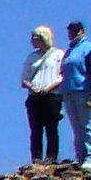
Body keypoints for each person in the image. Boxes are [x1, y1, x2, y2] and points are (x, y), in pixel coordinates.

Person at [60, 21, 91, 166]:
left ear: (82, 31)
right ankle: (80, 156)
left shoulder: (89, 48)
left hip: (83, 90)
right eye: (71, 31)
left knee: (87, 124)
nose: (73, 34)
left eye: (76, 31)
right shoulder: (69, 51)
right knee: (76, 127)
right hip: (69, 91)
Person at [20, 26, 65, 165]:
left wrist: (49, 87)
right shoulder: (31, 57)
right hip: (34, 97)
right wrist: (32, 87)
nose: (32, 40)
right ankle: (37, 158)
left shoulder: (58, 55)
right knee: (35, 130)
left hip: (52, 96)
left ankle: (51, 158)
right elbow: (24, 78)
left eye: (36, 37)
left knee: (52, 128)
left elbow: (63, 75)